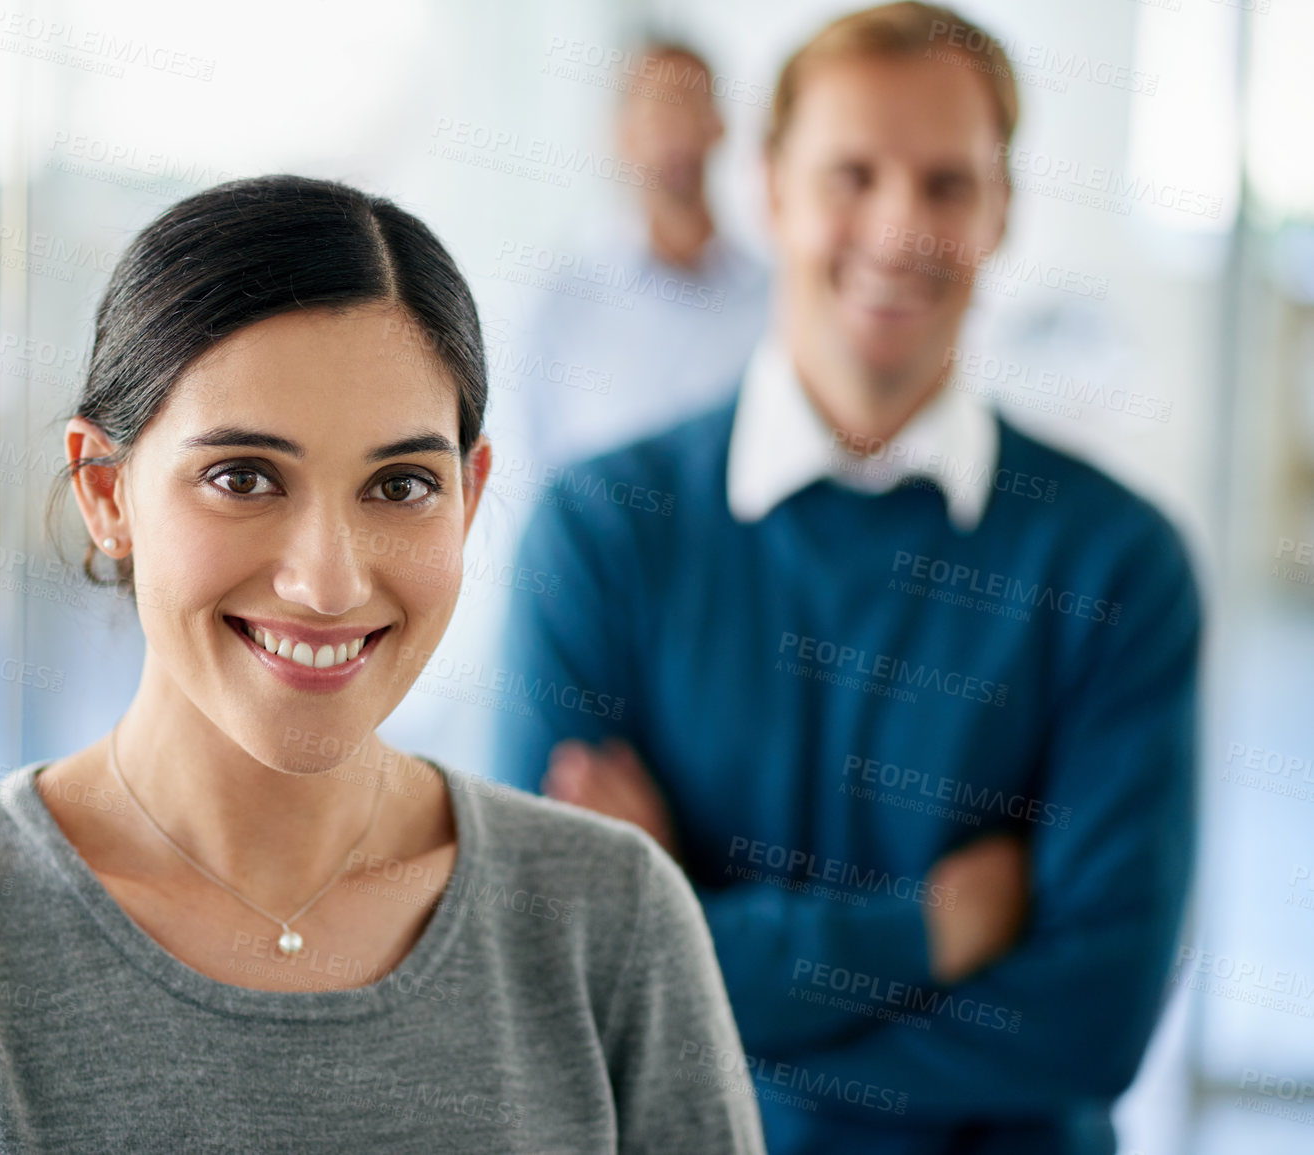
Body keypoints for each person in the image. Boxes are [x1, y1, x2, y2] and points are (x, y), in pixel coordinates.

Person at [0, 175, 766, 1153]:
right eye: (243, 477)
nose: (326, 583)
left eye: (401, 485)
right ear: (105, 491)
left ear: (471, 491)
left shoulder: (610, 917)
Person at [493, 5, 1200, 1153]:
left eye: (947, 185)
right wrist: (926, 936)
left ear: (1005, 209)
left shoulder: (1118, 565)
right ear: (768, 189)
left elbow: (1092, 1026)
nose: (897, 227)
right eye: (852, 174)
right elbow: (553, 981)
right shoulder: (602, 533)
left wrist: (696, 962)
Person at [508, 36, 770, 470]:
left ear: (718, 127)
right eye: (657, 115)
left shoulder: (774, 297)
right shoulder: (566, 302)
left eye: (689, 106)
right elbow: (531, 463)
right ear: (623, 135)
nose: (676, 133)